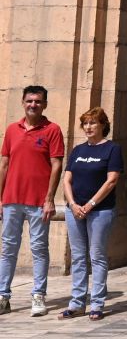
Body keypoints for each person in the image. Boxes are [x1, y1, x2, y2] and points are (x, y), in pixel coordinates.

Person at [0, 86, 65, 317]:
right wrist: (0, 198)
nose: (33, 105)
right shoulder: (11, 130)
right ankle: (3, 296)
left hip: (39, 201)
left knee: (39, 249)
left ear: (45, 104)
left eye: (38, 101)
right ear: (22, 102)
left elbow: (56, 165)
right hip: (11, 200)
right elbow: (4, 164)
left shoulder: (53, 130)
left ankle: (38, 295)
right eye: (29, 101)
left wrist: (50, 199)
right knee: (8, 249)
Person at [60, 108, 124, 320]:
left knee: (97, 257)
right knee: (78, 257)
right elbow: (67, 179)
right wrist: (72, 204)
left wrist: (90, 204)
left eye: (93, 123)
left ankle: (97, 303)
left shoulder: (112, 149)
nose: (88, 127)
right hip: (74, 210)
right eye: (85, 123)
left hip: (100, 211)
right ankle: (77, 302)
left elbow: (112, 180)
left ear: (103, 125)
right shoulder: (77, 150)